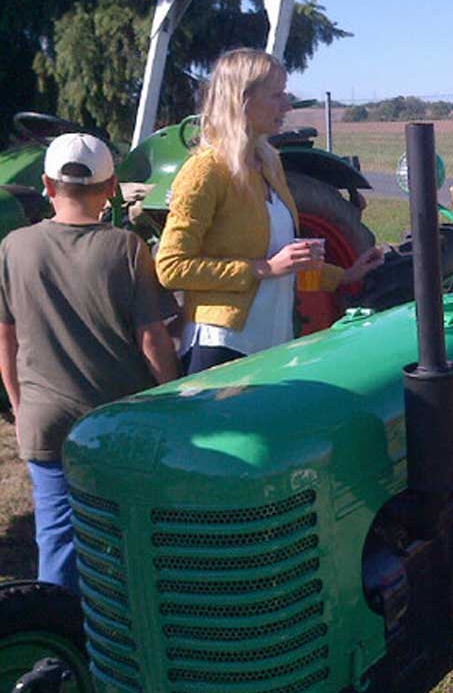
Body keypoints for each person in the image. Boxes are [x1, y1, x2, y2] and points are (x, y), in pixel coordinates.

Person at [0, 133, 180, 592]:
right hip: (115, 420)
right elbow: (152, 339)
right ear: (111, 187)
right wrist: (172, 397)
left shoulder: (14, 247)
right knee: (124, 533)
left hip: (44, 418)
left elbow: (5, 339)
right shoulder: (127, 248)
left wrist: (20, 407)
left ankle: (56, 627)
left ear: (46, 185)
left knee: (56, 536)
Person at [156, 48, 384, 374]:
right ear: (242, 100)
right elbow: (171, 268)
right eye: (277, 95)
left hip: (273, 345)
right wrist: (264, 268)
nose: (287, 106)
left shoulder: (270, 164)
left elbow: (285, 261)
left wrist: (344, 275)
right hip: (222, 346)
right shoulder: (205, 172)